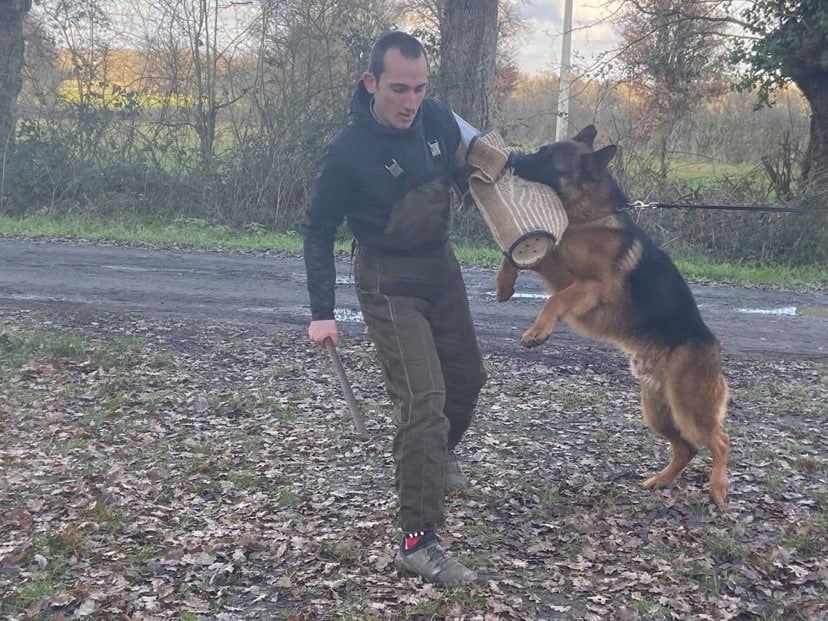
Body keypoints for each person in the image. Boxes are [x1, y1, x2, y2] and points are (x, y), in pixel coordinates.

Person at [303, 31, 487, 587]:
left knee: (468, 380)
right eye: (399, 89)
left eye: (420, 88)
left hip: (441, 269)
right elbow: (317, 230)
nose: (411, 102)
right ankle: (418, 540)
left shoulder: (437, 119)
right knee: (423, 401)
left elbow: (481, 169)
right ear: (372, 84)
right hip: (387, 279)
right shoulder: (347, 150)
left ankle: (432, 457)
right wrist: (322, 311)